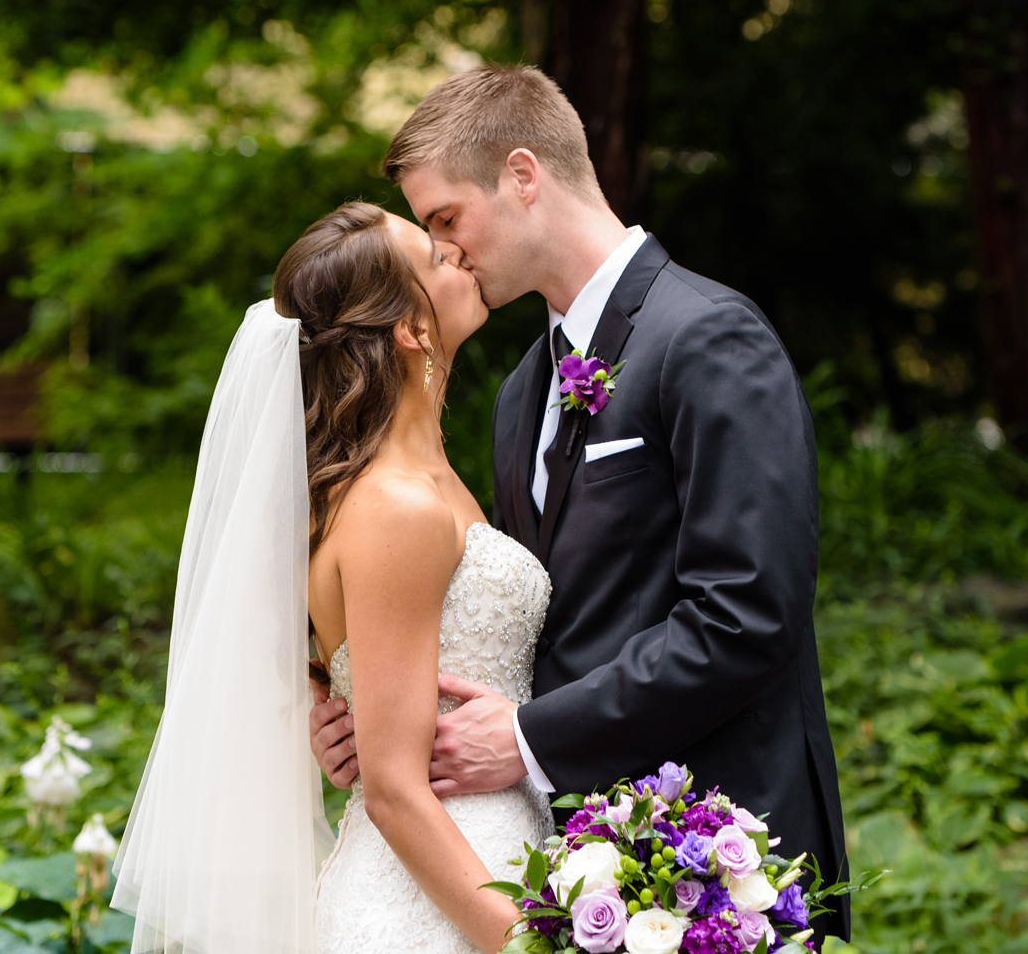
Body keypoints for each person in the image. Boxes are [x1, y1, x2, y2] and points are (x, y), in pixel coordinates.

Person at [309, 66, 850, 940]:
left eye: (447, 219)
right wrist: (356, 714)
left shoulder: (710, 337)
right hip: (573, 862)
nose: (444, 251)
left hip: (721, 852)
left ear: (524, 175)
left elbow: (746, 613)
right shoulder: (518, 393)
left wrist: (527, 737)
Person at [114, 202, 552, 954]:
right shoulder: (397, 505)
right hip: (444, 905)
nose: (459, 251)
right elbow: (390, 788)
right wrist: (524, 942)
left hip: (491, 856)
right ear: (409, 328)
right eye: (435, 256)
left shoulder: (417, 479)